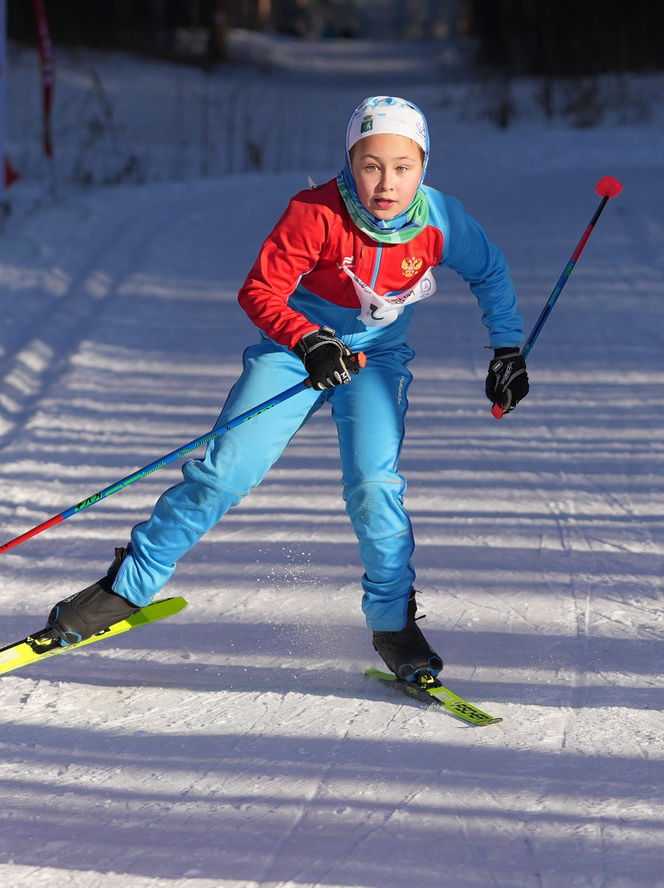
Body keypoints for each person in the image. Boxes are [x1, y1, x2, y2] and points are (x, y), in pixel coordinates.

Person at [31, 96, 527, 682]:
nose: (386, 183)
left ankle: (393, 624)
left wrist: (507, 349)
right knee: (223, 472)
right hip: (297, 353)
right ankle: (129, 585)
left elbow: (490, 271)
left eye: (402, 166)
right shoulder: (315, 212)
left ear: (423, 166)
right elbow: (259, 291)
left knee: (374, 485)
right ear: (351, 162)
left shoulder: (440, 220)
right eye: (370, 165)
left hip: (375, 358)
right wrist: (307, 338)